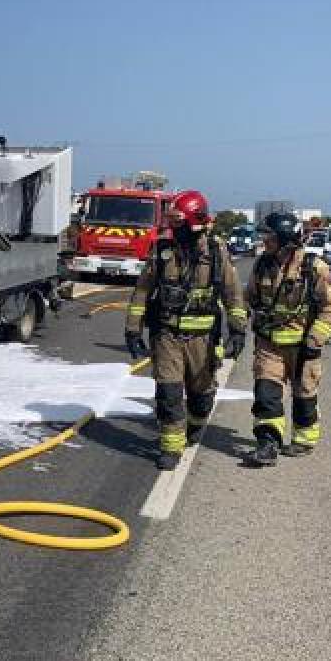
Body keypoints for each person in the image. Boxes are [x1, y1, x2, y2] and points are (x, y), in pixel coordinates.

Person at [125, 190, 248, 471]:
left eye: (178, 220)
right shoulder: (162, 250)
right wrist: (133, 330)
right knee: (169, 392)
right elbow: (142, 292)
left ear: (194, 221)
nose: (173, 226)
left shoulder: (216, 252)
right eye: (172, 220)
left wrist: (238, 330)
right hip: (167, 335)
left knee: (201, 397)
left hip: (204, 340)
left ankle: (195, 423)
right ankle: (171, 448)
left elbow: (233, 294)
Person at [246, 212, 331, 465]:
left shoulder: (314, 268)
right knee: (266, 394)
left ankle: (303, 439)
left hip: (303, 348)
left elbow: (330, 307)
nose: (265, 241)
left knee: (304, 396)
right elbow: (250, 299)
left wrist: (315, 341)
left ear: (286, 239)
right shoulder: (261, 265)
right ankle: (268, 444)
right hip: (270, 346)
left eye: (270, 237)